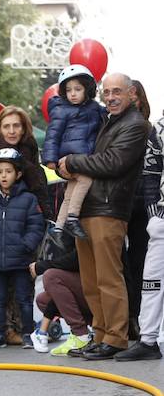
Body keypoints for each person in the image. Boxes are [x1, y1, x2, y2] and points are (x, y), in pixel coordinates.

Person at [58, 73, 150, 360]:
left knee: (109, 279)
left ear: (131, 93)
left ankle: (116, 338)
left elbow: (111, 163)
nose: (110, 97)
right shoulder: (110, 121)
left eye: (117, 92)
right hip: (89, 208)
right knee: (91, 280)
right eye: (107, 92)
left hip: (109, 210)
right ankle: (100, 335)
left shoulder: (136, 125)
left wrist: (71, 161)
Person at [0, 149, 45, 349]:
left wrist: (27, 245)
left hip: (20, 260)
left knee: (24, 299)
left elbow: (36, 225)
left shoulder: (28, 199)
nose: (4, 176)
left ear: (18, 174)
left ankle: (28, 334)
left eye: (8, 171)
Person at [114, 107, 164, 361]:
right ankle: (148, 341)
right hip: (162, 221)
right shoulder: (160, 126)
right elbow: (152, 171)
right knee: (151, 280)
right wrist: (153, 210)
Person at [41, 65, 107, 239]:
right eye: (69, 90)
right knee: (86, 179)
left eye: (78, 89)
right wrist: (50, 158)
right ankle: (72, 217)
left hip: (83, 159)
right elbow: (52, 135)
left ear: (88, 89)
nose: (73, 94)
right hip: (68, 159)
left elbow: (105, 115)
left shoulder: (94, 109)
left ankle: (59, 228)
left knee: (70, 193)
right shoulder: (61, 110)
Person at [28, 233, 93, 356]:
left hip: (100, 290)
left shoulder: (81, 221)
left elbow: (76, 260)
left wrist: (41, 266)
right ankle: (88, 332)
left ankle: (81, 335)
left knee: (51, 276)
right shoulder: (66, 224)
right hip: (89, 288)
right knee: (43, 299)